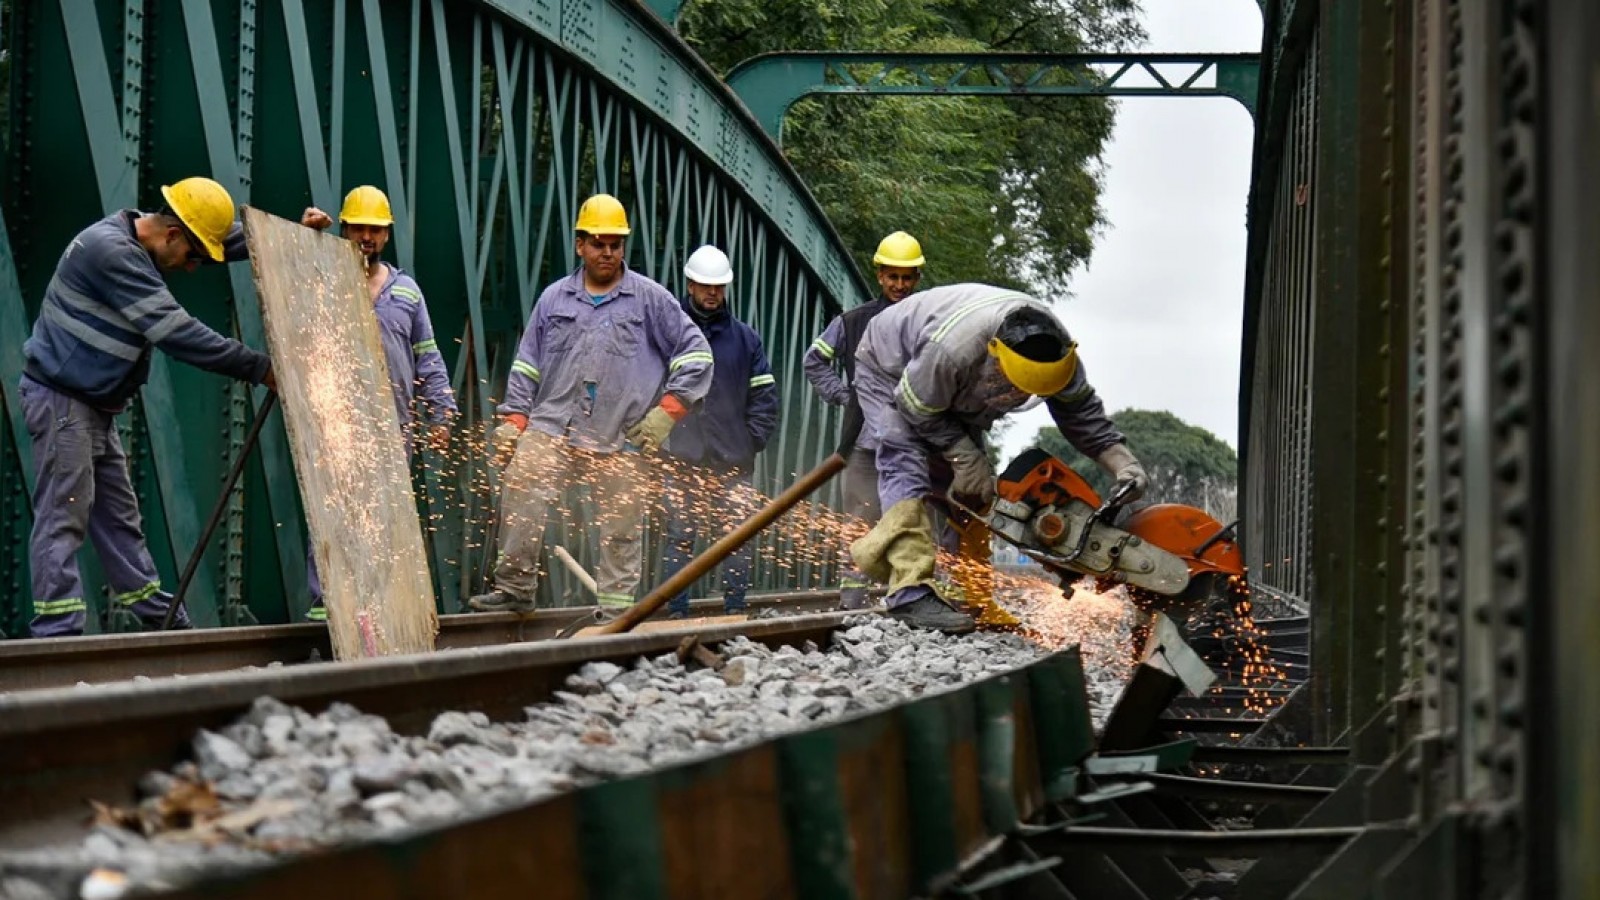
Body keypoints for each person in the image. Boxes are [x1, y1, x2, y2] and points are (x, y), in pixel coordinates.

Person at [18, 176, 276, 638]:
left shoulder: (153, 237)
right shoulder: (111, 253)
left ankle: (161, 621)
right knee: (64, 516)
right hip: (63, 401)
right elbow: (176, 332)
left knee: (120, 520)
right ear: (172, 234)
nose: (193, 268)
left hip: (93, 404)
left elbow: (223, 238)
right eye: (193, 257)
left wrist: (296, 232)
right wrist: (259, 368)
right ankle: (56, 635)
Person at [850, 283, 1149, 634]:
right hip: (890, 371)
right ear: (994, 356)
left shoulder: (1060, 357)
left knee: (973, 494)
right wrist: (963, 455)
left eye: (1028, 391)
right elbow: (915, 406)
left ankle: (971, 595)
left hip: (951, 390)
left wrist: (1122, 462)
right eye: (1013, 385)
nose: (1018, 395)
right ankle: (909, 592)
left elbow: (1081, 415)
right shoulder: (951, 350)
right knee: (906, 461)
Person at [469, 194, 713, 614]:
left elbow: (697, 355)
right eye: (598, 243)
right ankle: (514, 590)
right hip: (554, 425)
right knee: (522, 489)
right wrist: (514, 417)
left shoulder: (650, 299)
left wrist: (666, 414)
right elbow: (527, 364)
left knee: (621, 526)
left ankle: (615, 613)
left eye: (615, 244)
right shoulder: (554, 299)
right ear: (580, 244)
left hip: (623, 433)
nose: (608, 252)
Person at [297, 185, 459, 621]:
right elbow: (286, 290)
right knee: (331, 510)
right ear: (344, 229)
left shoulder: (406, 292)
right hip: (334, 420)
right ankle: (326, 607)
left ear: (386, 236)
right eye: (358, 229)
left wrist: (442, 412)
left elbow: (427, 354)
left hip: (393, 426)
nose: (366, 237)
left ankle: (373, 608)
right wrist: (304, 236)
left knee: (383, 518)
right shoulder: (324, 276)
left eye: (375, 230)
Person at [802, 230, 924, 608]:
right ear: (880, 276)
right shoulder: (852, 322)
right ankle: (852, 601)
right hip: (864, 445)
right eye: (893, 276)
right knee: (857, 522)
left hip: (913, 445)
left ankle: (907, 596)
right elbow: (814, 361)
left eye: (906, 278)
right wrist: (845, 395)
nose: (899, 285)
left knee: (910, 523)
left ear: (916, 278)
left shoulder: (928, 322)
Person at [655, 245, 778, 619]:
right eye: (705, 285)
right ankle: (676, 612)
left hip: (732, 459)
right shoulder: (668, 334)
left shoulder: (746, 339)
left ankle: (735, 611)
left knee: (737, 537)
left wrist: (749, 442)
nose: (712, 293)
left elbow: (765, 398)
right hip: (681, 457)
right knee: (679, 535)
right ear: (690, 284)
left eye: (719, 286)